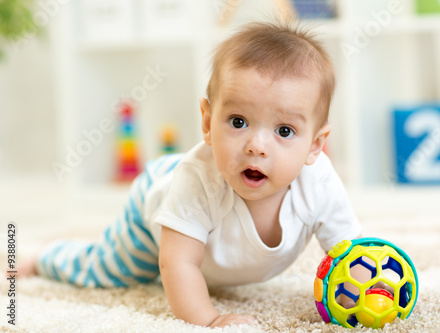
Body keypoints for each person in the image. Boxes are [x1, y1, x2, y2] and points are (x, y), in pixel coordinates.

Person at [18, 20, 363, 328]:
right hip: (157, 199)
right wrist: (209, 318)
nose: (257, 146)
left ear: (316, 145)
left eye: (284, 131)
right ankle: (43, 257)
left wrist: (363, 292)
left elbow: (350, 252)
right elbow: (177, 263)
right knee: (111, 271)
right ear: (207, 122)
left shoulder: (319, 183)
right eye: (238, 122)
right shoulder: (197, 182)